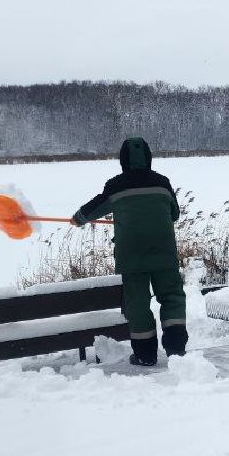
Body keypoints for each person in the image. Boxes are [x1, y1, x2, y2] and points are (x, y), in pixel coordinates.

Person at [71, 137, 187, 366]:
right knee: (172, 297)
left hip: (132, 257)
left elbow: (96, 206)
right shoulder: (162, 183)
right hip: (164, 252)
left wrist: (78, 218)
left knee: (138, 304)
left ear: (123, 159)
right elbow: (174, 214)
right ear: (149, 157)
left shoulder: (116, 185)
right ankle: (175, 349)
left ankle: (145, 354)